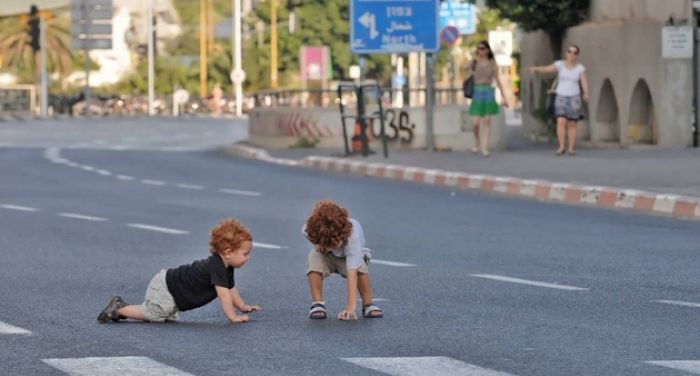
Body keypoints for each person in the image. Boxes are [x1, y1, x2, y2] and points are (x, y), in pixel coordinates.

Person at [97, 218, 261, 324]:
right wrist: (233, 317)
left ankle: (124, 307)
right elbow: (224, 295)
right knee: (155, 315)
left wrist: (243, 306)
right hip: (166, 287)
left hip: (171, 289)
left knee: (164, 315)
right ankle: (118, 309)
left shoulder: (227, 267)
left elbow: (230, 289)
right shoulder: (216, 266)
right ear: (228, 252)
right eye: (245, 254)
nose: (248, 257)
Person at [304, 200, 383, 320]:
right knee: (314, 258)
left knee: (360, 269)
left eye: (332, 244)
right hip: (326, 257)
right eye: (326, 244)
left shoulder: (352, 238)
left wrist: (350, 307)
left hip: (349, 258)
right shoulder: (311, 227)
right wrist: (318, 245)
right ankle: (317, 304)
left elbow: (352, 273)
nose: (329, 247)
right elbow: (306, 233)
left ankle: (368, 304)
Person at [527, 44, 589, 155]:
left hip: (574, 96)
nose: (571, 54)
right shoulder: (560, 64)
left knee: (573, 123)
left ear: (577, 56)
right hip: (561, 96)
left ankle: (571, 148)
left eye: (574, 53)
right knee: (561, 121)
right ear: (566, 53)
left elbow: (583, 81)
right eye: (569, 51)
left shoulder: (580, 68)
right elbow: (547, 69)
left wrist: (586, 93)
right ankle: (561, 147)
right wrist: (535, 69)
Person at [465, 40, 509, 157]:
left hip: (488, 91)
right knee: (475, 123)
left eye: (482, 48)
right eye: (478, 48)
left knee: (487, 121)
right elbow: (463, 67)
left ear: (487, 50)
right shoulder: (474, 62)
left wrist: (504, 97)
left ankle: (485, 147)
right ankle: (477, 142)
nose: (480, 50)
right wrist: (471, 61)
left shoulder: (492, 64)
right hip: (477, 92)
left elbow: (498, 80)